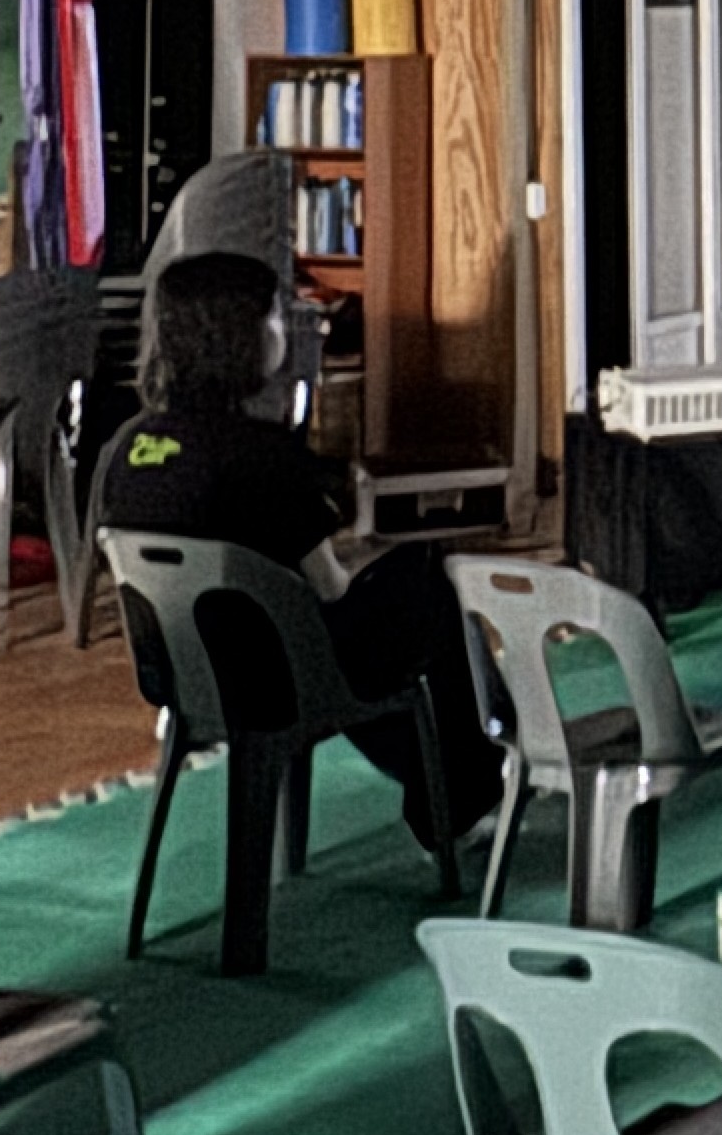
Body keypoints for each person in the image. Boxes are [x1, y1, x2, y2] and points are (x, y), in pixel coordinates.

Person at [96, 251, 496, 849]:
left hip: (182, 680)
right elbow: (329, 590)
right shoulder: (263, 455)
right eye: (274, 317)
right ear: (240, 339)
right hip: (280, 680)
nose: (282, 331)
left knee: (357, 645)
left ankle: (440, 779)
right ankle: (467, 790)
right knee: (426, 586)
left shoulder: (125, 450)